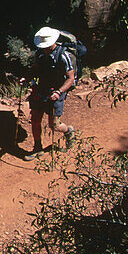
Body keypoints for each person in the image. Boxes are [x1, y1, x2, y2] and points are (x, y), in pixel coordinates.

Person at [23, 26, 77, 160]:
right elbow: (35, 69)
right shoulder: (40, 54)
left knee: (54, 125)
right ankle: (37, 148)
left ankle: (69, 131)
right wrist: (27, 78)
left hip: (56, 91)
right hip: (41, 90)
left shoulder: (63, 55)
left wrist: (59, 92)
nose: (44, 47)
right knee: (35, 120)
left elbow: (71, 78)